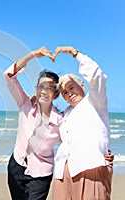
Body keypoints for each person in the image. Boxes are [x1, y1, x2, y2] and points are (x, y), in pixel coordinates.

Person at [52, 46, 113, 199]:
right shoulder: (65, 113)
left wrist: (75, 53)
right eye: (64, 92)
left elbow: (97, 75)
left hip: (90, 167)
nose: (69, 93)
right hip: (63, 172)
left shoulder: (95, 101)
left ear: (83, 85)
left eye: (71, 87)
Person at [4, 46, 64, 200]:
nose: (44, 91)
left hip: (40, 174)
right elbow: (9, 75)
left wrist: (103, 153)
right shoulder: (26, 105)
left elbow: (74, 142)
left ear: (55, 94)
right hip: (16, 166)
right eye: (41, 86)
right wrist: (32, 55)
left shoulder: (60, 120)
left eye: (49, 88)